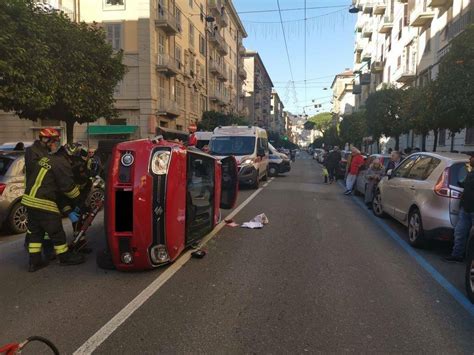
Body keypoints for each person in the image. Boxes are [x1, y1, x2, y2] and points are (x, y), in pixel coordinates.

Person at [22, 132, 85, 272]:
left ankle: (34, 262)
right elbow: (68, 187)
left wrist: (67, 209)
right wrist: (80, 202)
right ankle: (64, 256)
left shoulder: (45, 159)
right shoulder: (61, 163)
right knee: (56, 231)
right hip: (43, 202)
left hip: (29, 201)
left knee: (35, 232)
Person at [24, 128, 60, 259]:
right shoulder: (33, 152)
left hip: (37, 192)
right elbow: (37, 171)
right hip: (35, 193)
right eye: (54, 141)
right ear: (47, 140)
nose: (55, 144)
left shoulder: (42, 152)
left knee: (38, 227)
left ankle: (36, 254)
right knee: (42, 226)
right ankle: (47, 251)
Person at [444, 155, 474, 263]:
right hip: (465, 207)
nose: (470, 160)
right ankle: (457, 255)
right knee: (459, 232)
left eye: (472, 157)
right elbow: (466, 185)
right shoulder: (470, 172)